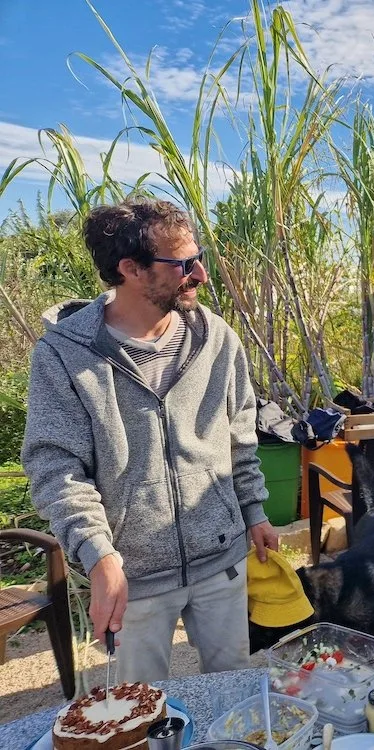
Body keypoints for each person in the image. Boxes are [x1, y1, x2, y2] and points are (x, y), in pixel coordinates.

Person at [21, 197, 279, 682]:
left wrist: (254, 510)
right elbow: (57, 471)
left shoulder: (217, 339)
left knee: (236, 692)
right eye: (184, 263)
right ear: (131, 269)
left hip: (221, 559)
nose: (200, 273)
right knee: (136, 712)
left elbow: (239, 433)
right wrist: (98, 556)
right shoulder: (64, 356)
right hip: (131, 576)